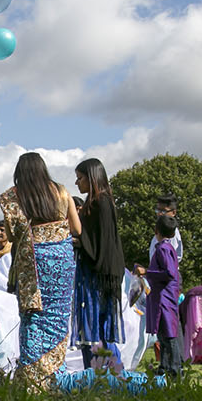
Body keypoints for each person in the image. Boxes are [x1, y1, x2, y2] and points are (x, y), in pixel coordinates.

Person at [1, 152, 81, 389]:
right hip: (61, 260)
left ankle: (32, 380)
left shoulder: (13, 197)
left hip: (33, 263)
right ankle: (56, 375)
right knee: (57, 315)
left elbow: (13, 235)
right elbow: (76, 228)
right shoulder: (62, 191)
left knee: (33, 315)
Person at [72, 158, 126, 368]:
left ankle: (106, 374)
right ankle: (101, 373)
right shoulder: (98, 202)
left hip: (97, 275)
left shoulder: (100, 202)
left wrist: (78, 240)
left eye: (80, 178)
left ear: (92, 177)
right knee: (95, 327)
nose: (77, 183)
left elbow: (101, 242)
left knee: (95, 327)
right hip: (97, 272)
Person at [144, 213, 183, 376]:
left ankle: (175, 369)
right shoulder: (168, 248)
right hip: (163, 297)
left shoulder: (163, 249)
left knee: (169, 335)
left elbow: (169, 273)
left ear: (156, 230)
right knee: (163, 334)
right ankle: (164, 367)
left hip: (164, 298)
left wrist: (147, 272)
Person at [141, 194, 183, 273]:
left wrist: (146, 271)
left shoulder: (171, 233)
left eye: (163, 211)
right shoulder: (159, 233)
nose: (160, 214)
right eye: (158, 210)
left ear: (173, 212)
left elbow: (167, 265)